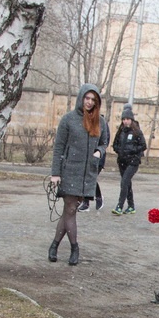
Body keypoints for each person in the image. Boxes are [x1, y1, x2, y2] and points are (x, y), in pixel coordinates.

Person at [49, 84, 109, 266]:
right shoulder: (68, 120)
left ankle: (54, 245)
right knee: (70, 210)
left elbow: (105, 141)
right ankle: (75, 248)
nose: (89, 102)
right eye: (87, 98)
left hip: (88, 174)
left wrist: (99, 151)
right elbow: (59, 147)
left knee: (69, 211)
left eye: (93, 100)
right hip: (69, 171)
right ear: (81, 98)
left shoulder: (100, 121)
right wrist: (55, 173)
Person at [110, 104, 147, 215]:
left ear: (131, 119)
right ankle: (131, 206)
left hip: (133, 161)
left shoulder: (136, 131)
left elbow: (143, 145)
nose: (125, 121)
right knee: (127, 184)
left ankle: (119, 206)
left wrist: (133, 151)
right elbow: (115, 144)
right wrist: (119, 151)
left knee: (124, 181)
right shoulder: (121, 131)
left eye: (127, 119)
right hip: (122, 161)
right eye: (124, 119)